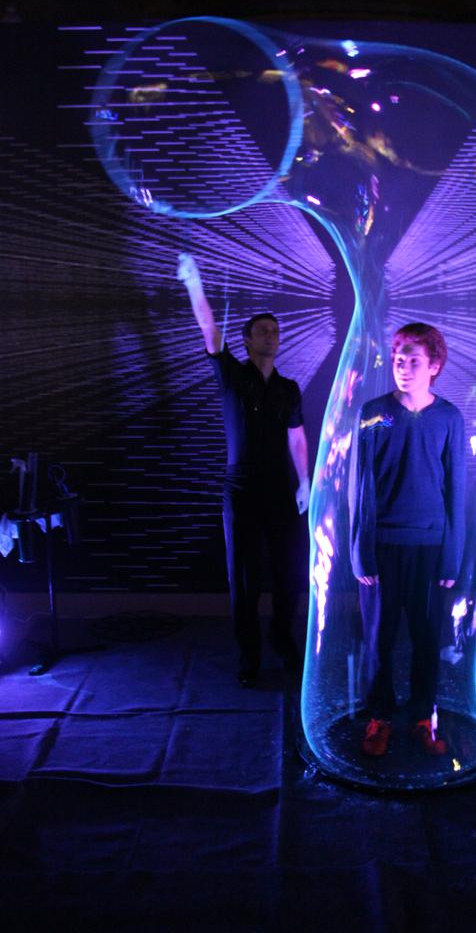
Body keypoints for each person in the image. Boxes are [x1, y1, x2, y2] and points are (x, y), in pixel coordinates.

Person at [177, 253, 310, 686]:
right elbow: (209, 330)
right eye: (263, 331)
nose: (271, 335)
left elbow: (297, 437)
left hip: (281, 490)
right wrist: (194, 284)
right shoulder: (233, 375)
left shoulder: (288, 388)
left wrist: (305, 480)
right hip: (241, 489)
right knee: (245, 578)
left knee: (289, 574)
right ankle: (248, 655)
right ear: (248, 341)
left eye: (275, 331)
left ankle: (283, 639)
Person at [351, 323, 465, 758]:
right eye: (399, 360)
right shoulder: (374, 413)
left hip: (430, 547)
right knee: (378, 638)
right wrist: (361, 550)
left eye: (414, 360)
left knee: (426, 637)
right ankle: (379, 717)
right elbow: (362, 485)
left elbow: (456, 490)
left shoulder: (449, 418)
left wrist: (452, 557)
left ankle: (423, 715)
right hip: (382, 545)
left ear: (434, 366)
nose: (403, 368)